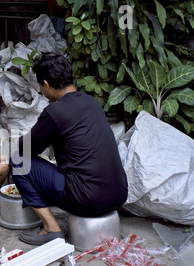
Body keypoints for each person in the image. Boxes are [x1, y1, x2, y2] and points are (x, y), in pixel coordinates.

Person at [9, 53, 128, 245]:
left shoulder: (55, 111)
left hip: (87, 199)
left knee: (18, 160)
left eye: (40, 87)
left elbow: (26, 148)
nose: (41, 90)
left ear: (46, 84)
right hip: (119, 194)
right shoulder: (92, 103)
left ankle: (50, 228)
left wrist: (45, 136)